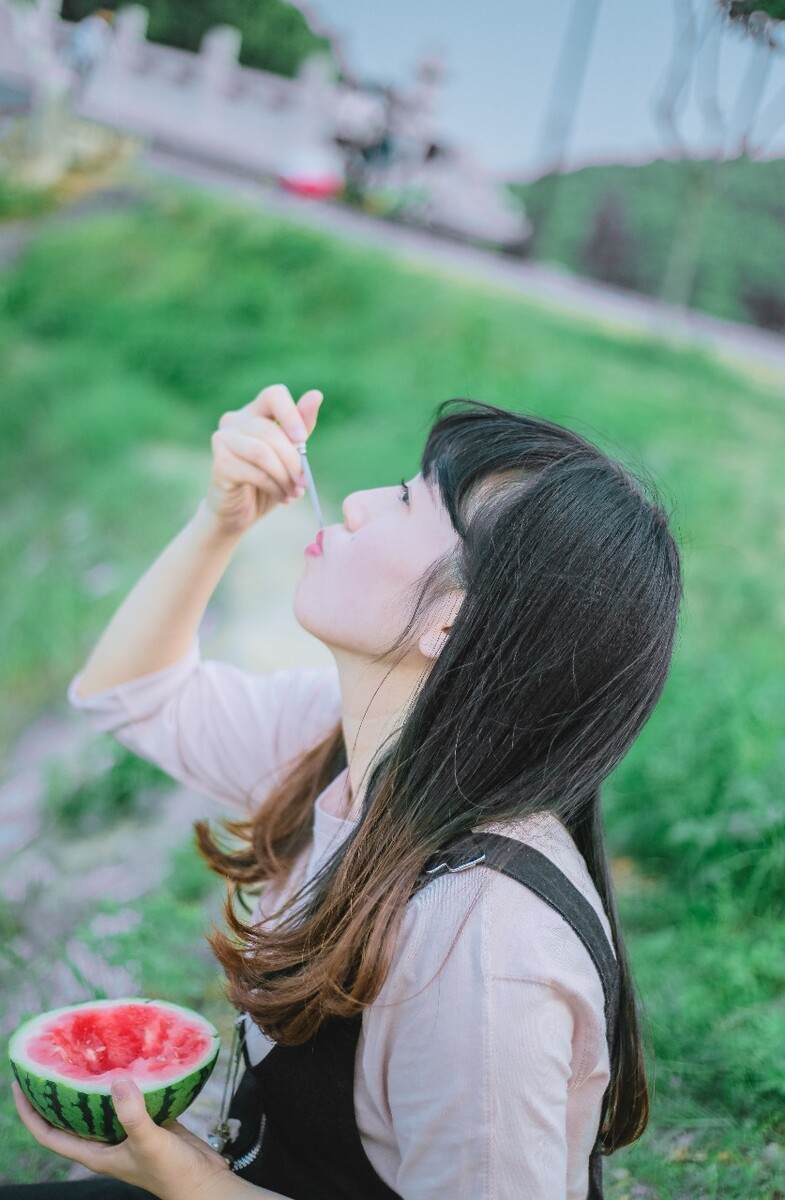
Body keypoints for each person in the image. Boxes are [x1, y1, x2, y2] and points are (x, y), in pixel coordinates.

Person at [6, 385, 682, 1199]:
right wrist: (220, 520)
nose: (357, 502)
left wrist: (192, 1183)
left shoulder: (485, 952)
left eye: (405, 500)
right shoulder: (343, 739)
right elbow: (131, 693)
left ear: (450, 624)